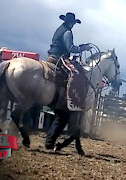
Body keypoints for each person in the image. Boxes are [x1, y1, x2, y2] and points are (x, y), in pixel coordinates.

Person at [45, 12, 90, 152]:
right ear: (71, 23)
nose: (73, 25)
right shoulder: (67, 32)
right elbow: (71, 48)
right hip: (60, 57)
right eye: (73, 23)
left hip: (52, 55)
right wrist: (83, 48)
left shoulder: (60, 29)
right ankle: (70, 98)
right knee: (75, 73)